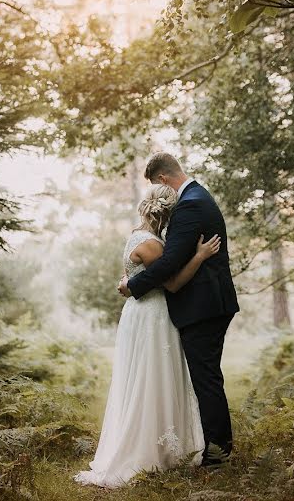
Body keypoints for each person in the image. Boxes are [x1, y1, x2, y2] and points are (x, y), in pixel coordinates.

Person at [75, 183, 222, 488]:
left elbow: (139, 277)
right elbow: (173, 284)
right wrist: (199, 255)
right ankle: (149, 452)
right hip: (152, 315)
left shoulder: (136, 236)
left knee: (149, 377)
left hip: (140, 313)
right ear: (167, 215)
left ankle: (161, 446)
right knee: (152, 379)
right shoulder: (153, 245)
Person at [118, 152, 240, 466]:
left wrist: (134, 287)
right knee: (206, 377)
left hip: (204, 306)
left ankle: (218, 455)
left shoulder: (191, 203)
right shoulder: (196, 197)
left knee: (206, 378)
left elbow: (170, 262)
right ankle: (216, 449)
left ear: (162, 179)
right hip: (207, 303)